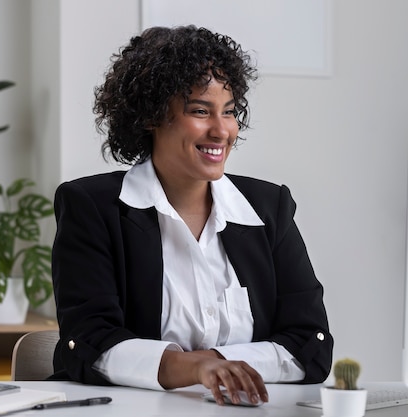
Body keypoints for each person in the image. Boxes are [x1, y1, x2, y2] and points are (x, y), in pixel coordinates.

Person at [50, 25, 333, 406]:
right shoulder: (93, 207)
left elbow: (310, 345)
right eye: (201, 111)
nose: (222, 130)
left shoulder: (269, 208)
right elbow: (89, 343)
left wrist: (218, 363)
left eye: (229, 112)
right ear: (151, 117)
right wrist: (193, 369)